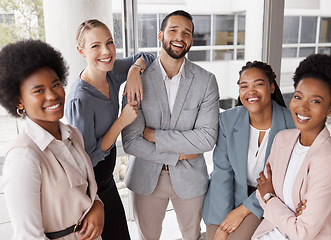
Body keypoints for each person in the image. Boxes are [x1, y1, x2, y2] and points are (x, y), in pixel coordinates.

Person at [121, 10, 220, 240]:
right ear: (160, 35)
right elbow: (131, 142)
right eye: (173, 30)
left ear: (191, 41)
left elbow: (206, 139)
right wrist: (180, 154)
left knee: (193, 236)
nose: (180, 36)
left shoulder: (206, 81)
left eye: (186, 33)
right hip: (145, 179)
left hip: (191, 180)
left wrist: (154, 135)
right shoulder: (138, 79)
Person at [0, 39, 104, 240]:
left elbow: (85, 190)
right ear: (19, 101)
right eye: (38, 90)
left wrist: (97, 204)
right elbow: (29, 236)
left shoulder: (73, 135)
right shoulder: (23, 157)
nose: (52, 95)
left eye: (56, 85)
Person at [65, 19, 155, 240]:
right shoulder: (80, 99)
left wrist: (134, 70)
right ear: (81, 50)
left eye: (110, 42)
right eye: (95, 46)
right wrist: (121, 122)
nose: (106, 51)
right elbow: (88, 158)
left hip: (106, 178)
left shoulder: (111, 72)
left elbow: (148, 56)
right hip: (89, 187)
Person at [252, 54, 331, 240]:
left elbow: (302, 233)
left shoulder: (330, 160)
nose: (302, 107)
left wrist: (270, 198)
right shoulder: (282, 139)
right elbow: (261, 190)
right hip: (268, 233)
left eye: (315, 101)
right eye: (298, 96)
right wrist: (288, 212)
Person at [202, 61, 295, 240]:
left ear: (272, 87)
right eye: (244, 86)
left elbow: (281, 180)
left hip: (268, 197)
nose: (250, 92)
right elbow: (222, 172)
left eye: (258, 84)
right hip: (230, 193)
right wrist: (224, 220)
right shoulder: (227, 120)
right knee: (216, 237)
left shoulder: (291, 124)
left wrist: (241, 211)